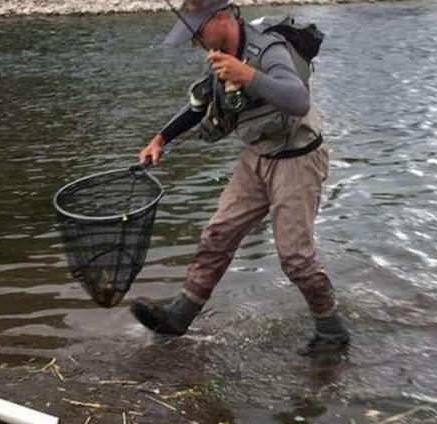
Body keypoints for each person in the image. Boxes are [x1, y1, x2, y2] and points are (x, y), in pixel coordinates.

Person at [130, 0, 350, 355]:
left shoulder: (270, 50)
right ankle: (179, 316)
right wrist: (159, 139)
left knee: (295, 258)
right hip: (256, 157)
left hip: (297, 159)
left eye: (198, 33)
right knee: (218, 234)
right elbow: (199, 105)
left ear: (221, 18)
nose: (195, 43)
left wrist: (247, 75)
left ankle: (331, 331)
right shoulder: (220, 55)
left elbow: (297, 99)